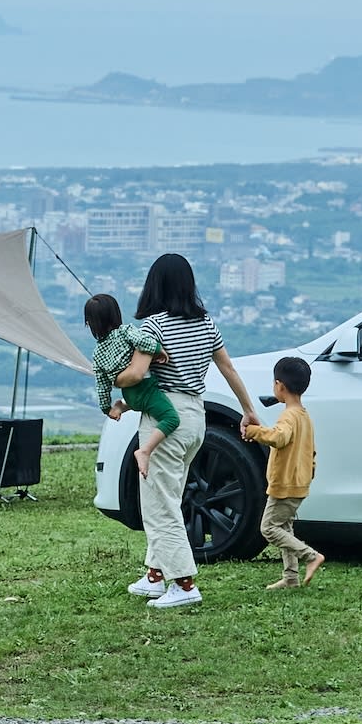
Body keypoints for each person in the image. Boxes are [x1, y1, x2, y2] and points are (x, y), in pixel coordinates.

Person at [120, 250, 252, 610]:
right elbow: (228, 369)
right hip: (196, 417)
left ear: (154, 285)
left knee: (160, 505)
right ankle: (155, 576)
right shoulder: (206, 322)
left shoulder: (153, 326)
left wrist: (105, 375)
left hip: (164, 418)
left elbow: (135, 375)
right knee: (169, 495)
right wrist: (248, 409)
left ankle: (184, 583)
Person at [82, 291, 177, 502]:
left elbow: (102, 385)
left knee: (138, 403)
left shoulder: (97, 353)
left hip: (130, 395)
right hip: (146, 389)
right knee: (171, 418)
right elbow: (143, 342)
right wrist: (159, 350)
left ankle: (122, 406)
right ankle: (145, 451)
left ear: (90, 324)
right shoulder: (126, 331)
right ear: (116, 314)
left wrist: (107, 408)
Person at [242, 354, 324, 588]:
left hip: (285, 484)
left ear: (280, 386)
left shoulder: (288, 416)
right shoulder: (304, 416)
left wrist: (254, 431)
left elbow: (279, 437)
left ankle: (311, 556)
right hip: (299, 482)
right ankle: (291, 578)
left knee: (269, 527)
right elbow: (312, 450)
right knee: (285, 526)